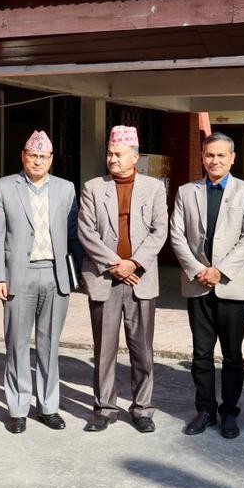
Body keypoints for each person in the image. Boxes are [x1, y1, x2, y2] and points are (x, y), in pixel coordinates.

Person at [0, 131, 81, 434]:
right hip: (19, 274)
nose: (38, 161)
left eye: (43, 157)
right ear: (23, 156)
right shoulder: (3, 187)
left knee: (50, 344)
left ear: (51, 160)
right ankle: (17, 408)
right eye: (33, 155)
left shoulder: (66, 189)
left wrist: (74, 274)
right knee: (16, 343)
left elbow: (73, 235)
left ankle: (49, 406)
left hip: (55, 275)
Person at [169, 132, 244, 439]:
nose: (215, 161)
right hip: (197, 284)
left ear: (233, 158)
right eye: (210, 155)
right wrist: (198, 270)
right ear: (203, 157)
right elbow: (177, 236)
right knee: (201, 353)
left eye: (221, 155)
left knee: (232, 354)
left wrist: (220, 271)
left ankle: (229, 412)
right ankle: (205, 409)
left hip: (231, 285)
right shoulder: (186, 192)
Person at [77, 126, 169, 433]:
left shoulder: (154, 188)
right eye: (110, 153)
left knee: (142, 348)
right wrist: (115, 264)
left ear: (135, 157)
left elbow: (160, 231)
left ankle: (142, 408)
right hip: (106, 277)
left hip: (140, 279)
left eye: (118, 154)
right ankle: (105, 407)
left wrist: (135, 264)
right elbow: (86, 232)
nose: (112, 159)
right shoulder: (93, 187)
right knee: (104, 348)